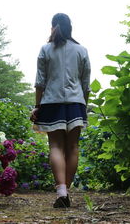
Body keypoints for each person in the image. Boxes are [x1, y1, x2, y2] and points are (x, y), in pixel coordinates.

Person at [30, 13, 91, 208]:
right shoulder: (82, 50)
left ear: (53, 27)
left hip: (51, 102)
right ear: (70, 28)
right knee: (72, 147)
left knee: (55, 146)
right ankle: (66, 192)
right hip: (76, 103)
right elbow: (85, 84)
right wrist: (84, 106)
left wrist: (37, 107)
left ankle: (61, 191)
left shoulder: (46, 49)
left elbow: (40, 83)